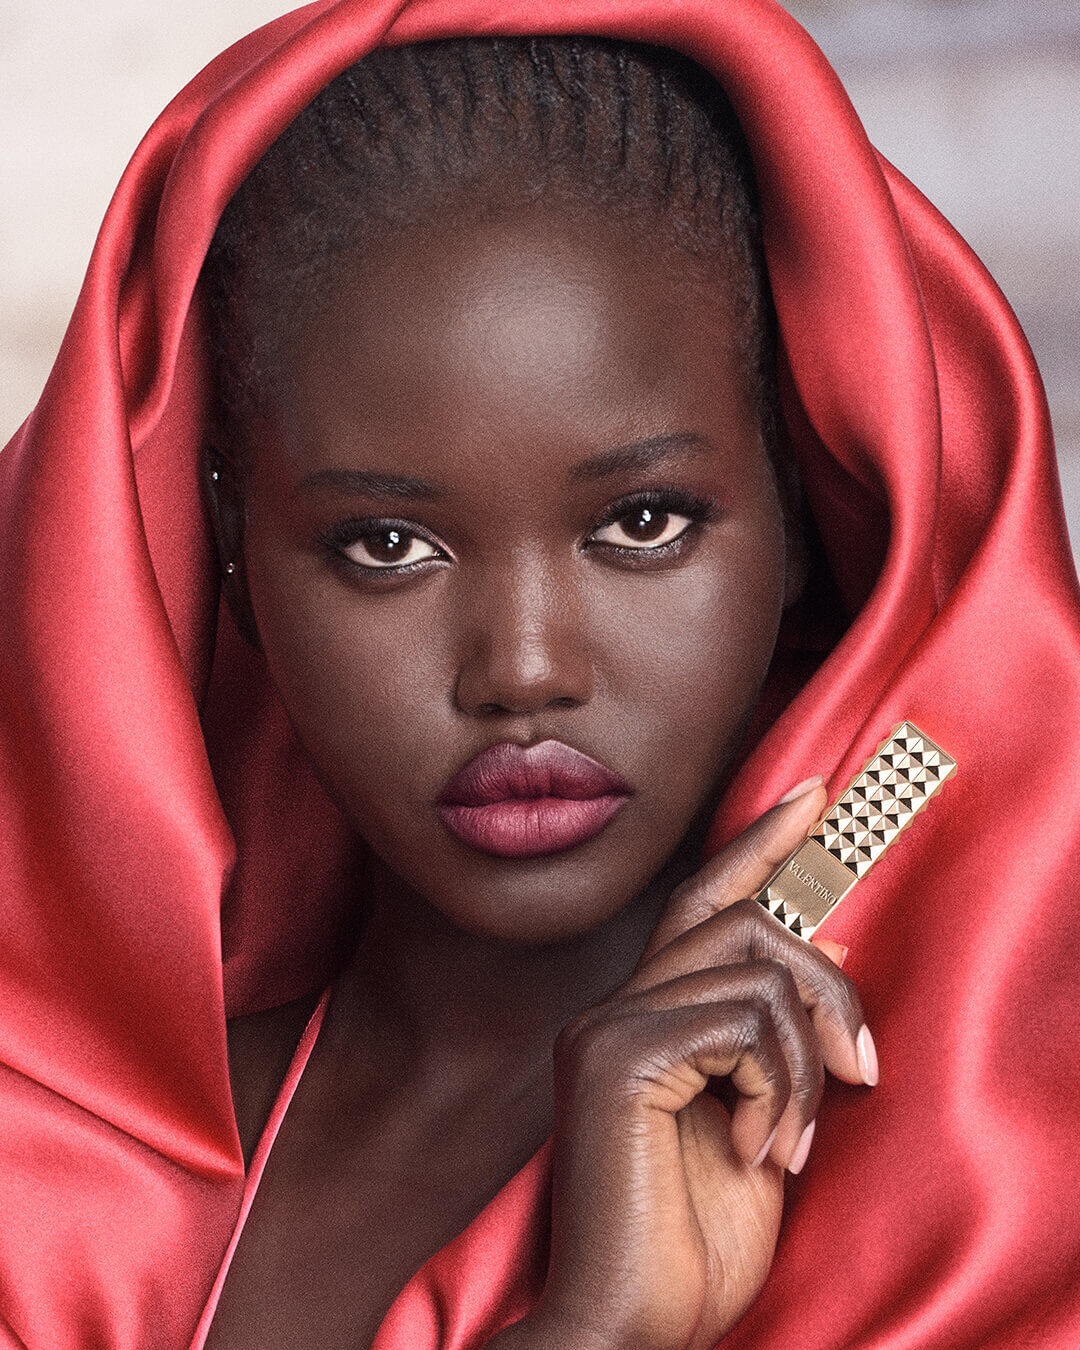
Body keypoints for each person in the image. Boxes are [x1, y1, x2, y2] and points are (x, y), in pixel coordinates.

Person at [1, 2, 1078, 1349]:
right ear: (232, 549)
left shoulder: (1007, 1168)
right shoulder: (53, 1166)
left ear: (801, 509)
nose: (522, 671)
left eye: (643, 522)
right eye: (386, 544)